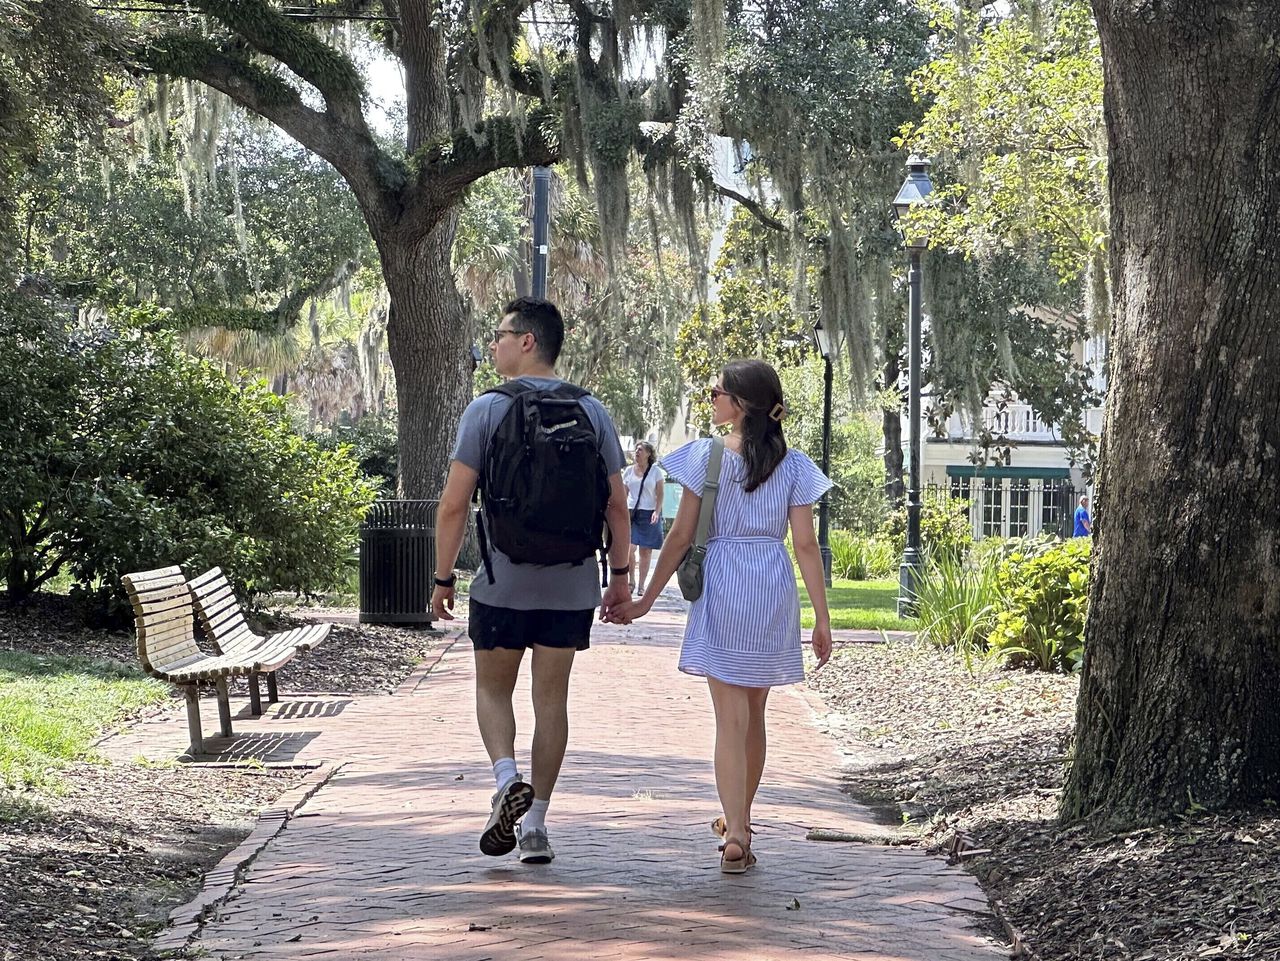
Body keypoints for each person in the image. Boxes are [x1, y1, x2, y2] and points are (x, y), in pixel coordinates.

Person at [610, 359, 833, 874]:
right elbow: (804, 544)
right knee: (754, 715)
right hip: (772, 585)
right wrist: (821, 618)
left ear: (741, 404)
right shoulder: (795, 465)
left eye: (718, 392)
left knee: (728, 719)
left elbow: (682, 536)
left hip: (725, 583)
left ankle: (735, 831)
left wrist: (644, 599)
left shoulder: (706, 457)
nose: (711, 399)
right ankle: (743, 822)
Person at [431, 297, 632, 865]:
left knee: (493, 687)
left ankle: (504, 780)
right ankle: (537, 824)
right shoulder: (594, 412)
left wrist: (442, 577)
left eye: (499, 335)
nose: (492, 345)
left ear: (527, 341)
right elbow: (618, 506)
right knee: (552, 700)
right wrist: (620, 578)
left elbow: (452, 505)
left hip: (502, 580)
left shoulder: (486, 410)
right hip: (571, 584)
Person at [624, 441, 665, 593]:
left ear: (648, 453)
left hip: (649, 513)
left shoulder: (655, 472)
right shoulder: (628, 471)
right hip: (632, 513)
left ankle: (641, 585)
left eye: (640, 450)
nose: (637, 452)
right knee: (629, 549)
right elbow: (624, 494)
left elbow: (660, 494)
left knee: (645, 551)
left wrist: (657, 511)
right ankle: (631, 580)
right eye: (636, 449)